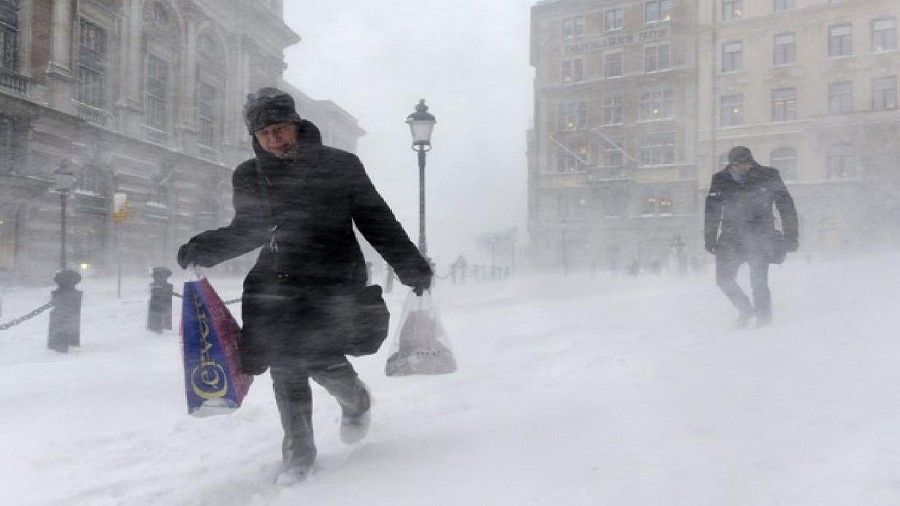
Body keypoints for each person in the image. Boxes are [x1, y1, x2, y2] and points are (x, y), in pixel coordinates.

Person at [176, 87, 432, 481]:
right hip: (276, 284)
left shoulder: (340, 165)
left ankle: (356, 399)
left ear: (296, 125)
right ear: (255, 137)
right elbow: (249, 228)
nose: (274, 139)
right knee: (285, 367)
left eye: (280, 129)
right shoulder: (249, 174)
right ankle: (298, 455)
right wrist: (204, 248)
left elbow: (375, 218)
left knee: (319, 358)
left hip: (332, 282)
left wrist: (409, 265)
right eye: (264, 134)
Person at [704, 146, 798, 328]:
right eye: (739, 165)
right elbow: (712, 210)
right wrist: (710, 237)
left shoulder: (769, 176)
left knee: (759, 282)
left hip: (760, 237)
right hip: (731, 238)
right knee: (723, 279)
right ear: (731, 164)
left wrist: (791, 236)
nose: (743, 168)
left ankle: (764, 322)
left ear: (752, 161)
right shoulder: (720, 179)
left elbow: (786, 207)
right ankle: (745, 309)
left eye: (747, 164)